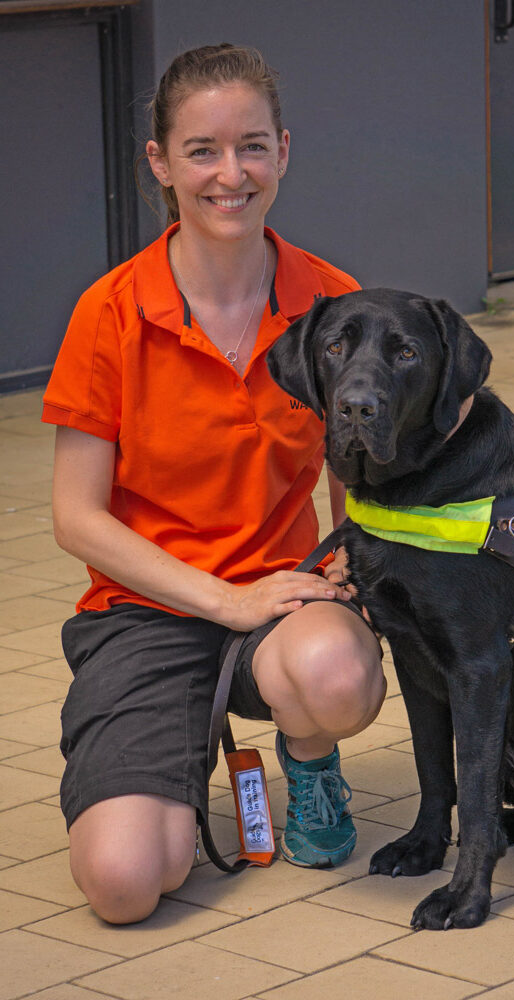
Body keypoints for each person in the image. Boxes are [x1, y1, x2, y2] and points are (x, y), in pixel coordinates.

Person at [42, 43, 386, 925]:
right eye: (202, 150)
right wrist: (218, 601)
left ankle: (309, 767)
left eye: (252, 146)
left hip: (282, 596)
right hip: (145, 611)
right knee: (123, 886)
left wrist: (352, 558)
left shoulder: (334, 303)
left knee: (336, 671)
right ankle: (164, 765)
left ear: (282, 150)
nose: (230, 174)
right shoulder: (109, 312)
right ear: (159, 162)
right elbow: (77, 520)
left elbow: (361, 466)